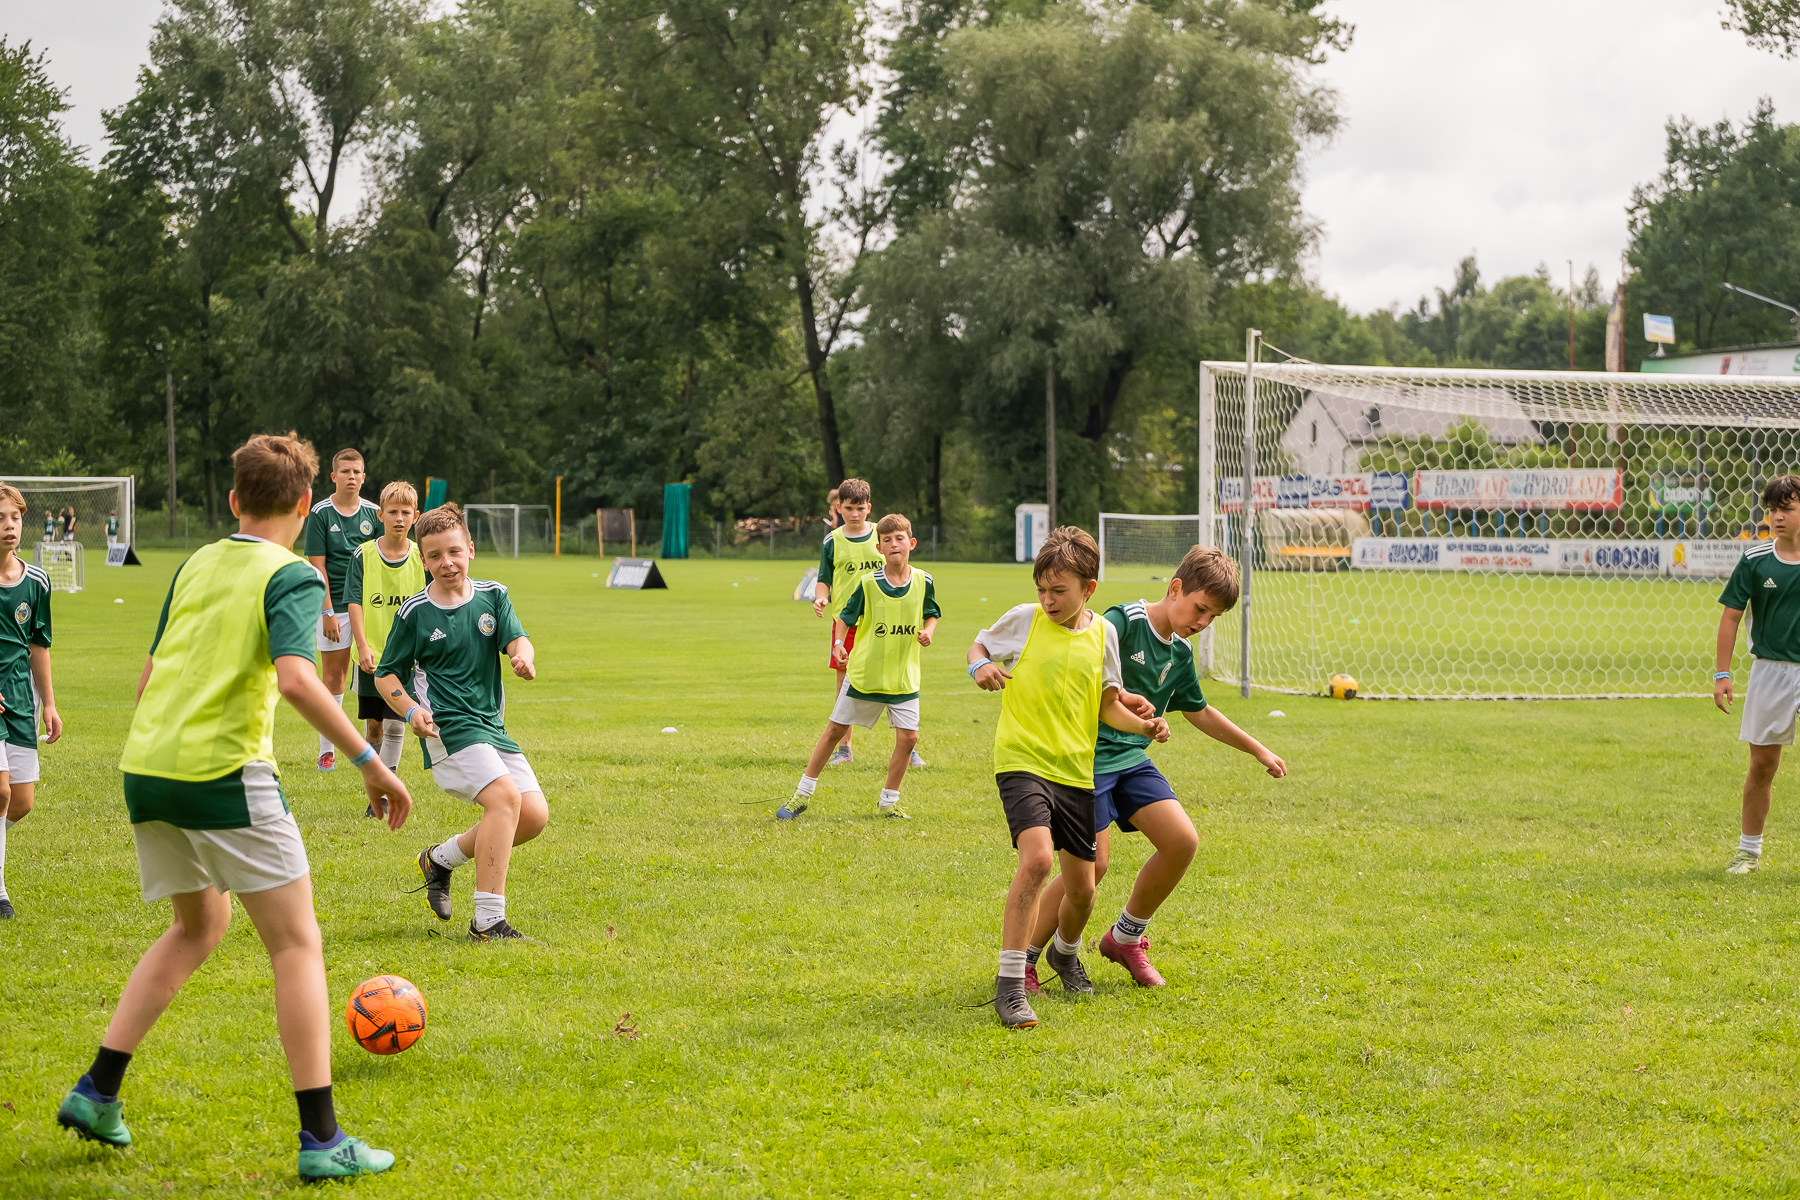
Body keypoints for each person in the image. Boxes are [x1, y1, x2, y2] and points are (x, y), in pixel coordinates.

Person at [56, 432, 411, 1181]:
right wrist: (371, 763)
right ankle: (323, 1141)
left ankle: (98, 1090)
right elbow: (296, 679)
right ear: (307, 505)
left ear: (232, 501)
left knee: (199, 925)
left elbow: (152, 671)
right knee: (294, 944)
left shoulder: (196, 562)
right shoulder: (292, 576)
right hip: (223, 774)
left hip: (146, 768)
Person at [1026, 546, 1285, 990]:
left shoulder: (1179, 654)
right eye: (1200, 608)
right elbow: (1083, 673)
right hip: (1085, 760)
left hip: (1130, 759)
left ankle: (1125, 938)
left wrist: (1257, 749)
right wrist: (1126, 704)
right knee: (1093, 869)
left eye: (1213, 617)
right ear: (1176, 588)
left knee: (1181, 840)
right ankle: (1033, 957)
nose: (1202, 622)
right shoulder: (1122, 622)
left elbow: (1198, 711)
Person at [967, 526, 1168, 1029]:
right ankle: (1011, 985)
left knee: (1084, 889)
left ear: (1089, 588)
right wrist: (980, 669)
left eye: (1060, 591)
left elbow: (1107, 708)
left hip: (1077, 772)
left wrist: (1143, 723)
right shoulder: (1025, 621)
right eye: (1042, 589)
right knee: (1036, 861)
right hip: (1022, 760)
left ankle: (1063, 953)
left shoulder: (1105, 634)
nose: (1048, 600)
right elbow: (978, 647)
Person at [376, 502, 546, 940]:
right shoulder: (415, 612)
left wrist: (522, 658)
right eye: (434, 556)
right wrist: (411, 710)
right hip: (448, 730)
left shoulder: (494, 595)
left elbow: (518, 639)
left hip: (492, 727)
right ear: (422, 560)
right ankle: (488, 922)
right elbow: (386, 674)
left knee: (532, 817)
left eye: (454, 551)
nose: (446, 563)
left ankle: (439, 860)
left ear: (470, 548)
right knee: (505, 800)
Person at [779, 513, 939, 821]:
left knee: (909, 739)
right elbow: (845, 619)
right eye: (887, 540)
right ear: (879, 548)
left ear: (912, 543)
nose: (894, 544)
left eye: (900, 539)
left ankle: (889, 802)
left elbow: (931, 613)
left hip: (903, 676)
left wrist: (928, 631)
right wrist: (839, 645)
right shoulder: (869, 584)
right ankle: (802, 794)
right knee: (834, 730)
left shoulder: (924, 581)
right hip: (866, 674)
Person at [1715, 474, 1800, 874]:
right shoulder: (1754, 560)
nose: (1777, 517)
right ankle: (1748, 852)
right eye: (1772, 510)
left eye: (1786, 509)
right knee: (1762, 765)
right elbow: (1731, 616)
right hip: (1770, 672)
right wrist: (1722, 674)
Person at [0, 484, 61, 919]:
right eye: (0, 518)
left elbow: (39, 646)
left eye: (15, 518)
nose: (8, 526)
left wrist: (49, 704)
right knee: (0, 793)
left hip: (20, 697)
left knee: (21, 802)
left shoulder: (36, 581)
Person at [303, 449, 382, 772]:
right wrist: (327, 612)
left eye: (357, 471)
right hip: (334, 607)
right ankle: (327, 752)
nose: (352, 476)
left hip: (369, 608)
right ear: (333, 476)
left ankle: (374, 747)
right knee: (334, 677)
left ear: (364, 477)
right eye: (345, 471)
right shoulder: (321, 513)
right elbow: (317, 565)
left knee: (375, 676)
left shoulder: (376, 514)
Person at [346, 480, 426, 800]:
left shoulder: (423, 558)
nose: (399, 518)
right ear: (380, 514)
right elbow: (354, 602)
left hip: (405, 660)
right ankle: (374, 781)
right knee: (375, 727)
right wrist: (363, 646)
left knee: (396, 725)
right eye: (392, 511)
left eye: (405, 512)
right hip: (371, 658)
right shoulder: (364, 555)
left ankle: (382, 794)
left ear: (415, 516)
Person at [812, 479, 894, 766]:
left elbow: (899, 569)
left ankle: (908, 745)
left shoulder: (882, 535)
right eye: (849, 508)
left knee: (893, 680)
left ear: (869, 507)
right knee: (844, 684)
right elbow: (824, 580)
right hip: (846, 623)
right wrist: (821, 598)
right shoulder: (832, 541)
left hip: (883, 620)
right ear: (839, 507)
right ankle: (844, 749)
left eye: (861, 508)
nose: (855, 514)